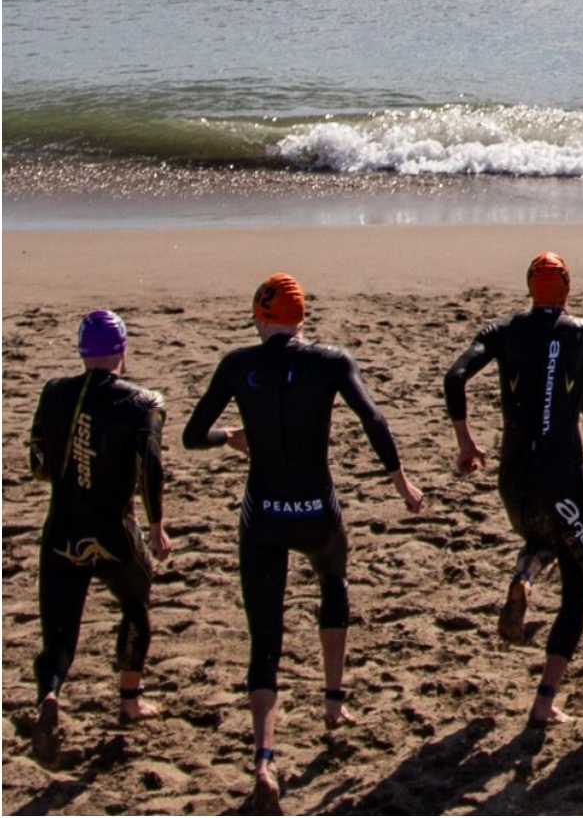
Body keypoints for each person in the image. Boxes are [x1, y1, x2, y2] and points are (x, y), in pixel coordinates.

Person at [184, 274, 424, 814]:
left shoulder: (236, 364)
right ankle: (334, 703)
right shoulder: (331, 362)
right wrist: (401, 482)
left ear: (259, 317)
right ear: (302, 318)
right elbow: (373, 419)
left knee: (264, 637)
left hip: (263, 515)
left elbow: (192, 435)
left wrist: (233, 438)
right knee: (333, 586)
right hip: (317, 511)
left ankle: (265, 759)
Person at [443, 251, 583, 727]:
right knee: (581, 579)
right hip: (562, 472)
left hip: (513, 474)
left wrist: (466, 441)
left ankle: (527, 574)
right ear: (568, 289)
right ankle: (544, 701)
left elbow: (454, 377)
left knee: (542, 538)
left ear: (529, 287)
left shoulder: (503, 331)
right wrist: (568, 390)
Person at [26, 310, 173, 764]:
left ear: (82, 352)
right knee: (135, 601)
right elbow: (150, 466)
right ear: (122, 353)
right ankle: (131, 700)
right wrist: (155, 525)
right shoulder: (144, 402)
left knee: (59, 631)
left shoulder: (53, 392)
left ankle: (51, 695)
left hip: (61, 532)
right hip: (114, 533)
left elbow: (37, 463)